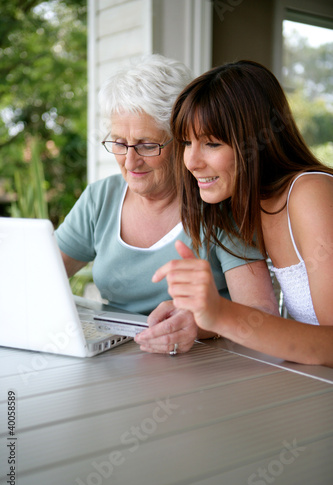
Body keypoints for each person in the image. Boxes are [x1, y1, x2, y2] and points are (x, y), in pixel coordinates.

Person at [55, 55, 278, 355]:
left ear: (183, 140)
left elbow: (260, 312)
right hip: (115, 357)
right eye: (119, 143)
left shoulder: (219, 203)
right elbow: (37, 276)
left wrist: (200, 323)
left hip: (205, 361)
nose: (130, 161)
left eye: (147, 145)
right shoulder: (101, 198)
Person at [144, 59, 333, 366]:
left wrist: (220, 312)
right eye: (186, 142)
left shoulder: (310, 193)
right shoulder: (247, 206)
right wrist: (199, 319)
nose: (191, 162)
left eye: (212, 143)